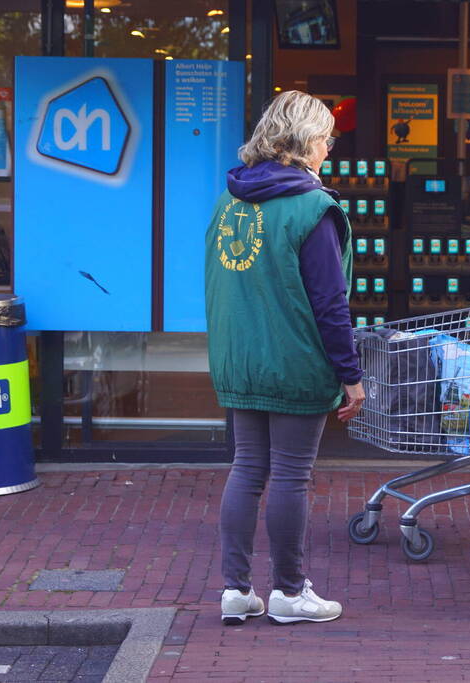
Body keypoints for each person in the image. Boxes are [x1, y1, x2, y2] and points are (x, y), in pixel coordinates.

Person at [204, 91, 366, 627]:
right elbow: (330, 303)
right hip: (295, 361)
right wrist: (351, 375)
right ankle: (290, 593)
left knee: (247, 469)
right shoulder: (313, 209)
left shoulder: (229, 200)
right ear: (302, 142)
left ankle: (235, 589)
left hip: (240, 358)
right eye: (324, 139)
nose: (328, 150)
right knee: (292, 476)